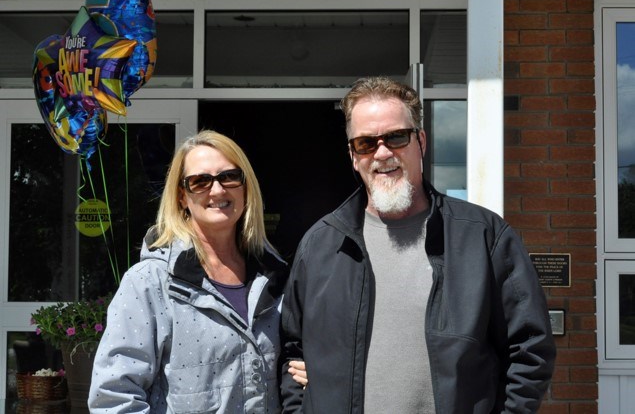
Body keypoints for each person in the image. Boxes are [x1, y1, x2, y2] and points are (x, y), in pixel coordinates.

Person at [280, 77, 556, 413]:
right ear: (353, 156)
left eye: (396, 137)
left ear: (421, 142)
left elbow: (530, 350)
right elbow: (292, 352)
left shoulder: (483, 236)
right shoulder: (321, 245)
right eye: (366, 143)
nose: (383, 153)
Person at [89, 130, 306, 413]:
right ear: (181, 196)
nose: (217, 190)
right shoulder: (149, 283)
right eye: (200, 181)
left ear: (245, 187)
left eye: (229, 176)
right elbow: (113, 397)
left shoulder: (275, 278)